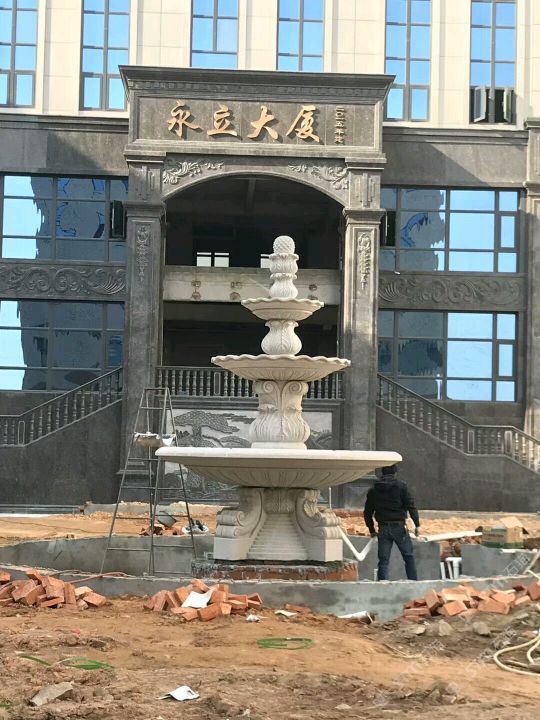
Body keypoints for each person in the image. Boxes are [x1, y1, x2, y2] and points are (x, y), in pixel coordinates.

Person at [363, 464, 421, 581]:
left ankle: (382, 585)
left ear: (382, 473)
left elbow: (367, 512)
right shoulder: (401, 487)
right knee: (408, 557)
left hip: (383, 528)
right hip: (399, 527)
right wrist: (417, 524)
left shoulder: (374, 489)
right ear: (395, 473)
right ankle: (413, 583)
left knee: (383, 561)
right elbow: (411, 506)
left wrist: (372, 530)